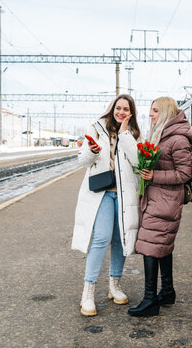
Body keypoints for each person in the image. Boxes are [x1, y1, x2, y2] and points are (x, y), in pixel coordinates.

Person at [72, 94, 141, 316]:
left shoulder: (134, 133)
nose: (121, 112)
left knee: (120, 239)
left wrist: (125, 135)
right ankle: (88, 293)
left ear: (131, 113)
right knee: (101, 238)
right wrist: (91, 151)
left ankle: (114, 285)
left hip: (123, 194)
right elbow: (81, 161)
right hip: (102, 193)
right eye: (118, 108)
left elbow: (138, 162)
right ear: (112, 108)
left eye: (126, 109)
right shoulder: (96, 128)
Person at [128, 97, 192, 317]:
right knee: (161, 246)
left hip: (165, 202)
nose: (150, 114)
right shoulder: (163, 135)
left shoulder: (178, 140)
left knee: (150, 246)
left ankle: (150, 300)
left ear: (166, 112)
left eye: (155, 110)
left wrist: (154, 175)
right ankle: (167, 292)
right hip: (158, 199)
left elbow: (184, 174)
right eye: (150, 110)